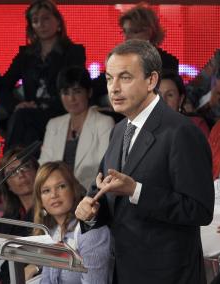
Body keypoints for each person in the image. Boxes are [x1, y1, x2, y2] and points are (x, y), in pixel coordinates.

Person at [75, 39, 214, 283]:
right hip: (123, 272)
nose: (114, 88)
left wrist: (137, 191)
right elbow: (107, 196)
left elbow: (200, 211)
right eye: (109, 78)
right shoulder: (119, 130)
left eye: (125, 78)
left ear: (151, 81)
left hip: (168, 276)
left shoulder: (181, 132)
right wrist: (91, 211)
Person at [0, 0, 86, 150]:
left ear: (58, 21)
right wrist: (16, 105)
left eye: (46, 18)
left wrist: (36, 107)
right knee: (26, 125)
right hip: (31, 114)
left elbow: (75, 85)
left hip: (60, 110)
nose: (41, 24)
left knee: (24, 119)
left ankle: (9, 168)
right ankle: (22, 170)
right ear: (31, 26)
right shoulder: (26, 55)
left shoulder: (73, 52)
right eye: (35, 21)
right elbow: (2, 86)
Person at [33, 161, 111, 283]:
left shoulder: (90, 231)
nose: (54, 195)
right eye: (46, 190)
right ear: (40, 201)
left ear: (74, 190)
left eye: (61, 186)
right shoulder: (52, 233)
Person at [39, 66, 114, 191]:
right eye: (66, 93)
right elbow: (44, 166)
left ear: (88, 92)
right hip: (57, 194)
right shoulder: (54, 124)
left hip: (91, 194)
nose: (71, 99)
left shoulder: (103, 123)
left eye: (77, 91)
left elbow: (106, 168)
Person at [92, 3, 179, 106]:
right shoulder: (117, 60)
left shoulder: (167, 62)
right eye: (124, 31)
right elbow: (95, 91)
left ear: (150, 32)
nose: (126, 38)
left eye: (134, 31)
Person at [0, 147, 39, 284]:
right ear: (8, 185)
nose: (20, 174)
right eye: (13, 172)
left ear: (37, 171)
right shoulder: (13, 215)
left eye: (25, 167)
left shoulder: (49, 211)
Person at [158, 70, 209, 138]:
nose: (163, 100)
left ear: (180, 100)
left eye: (170, 95)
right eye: (158, 95)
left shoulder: (195, 126)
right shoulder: (144, 126)